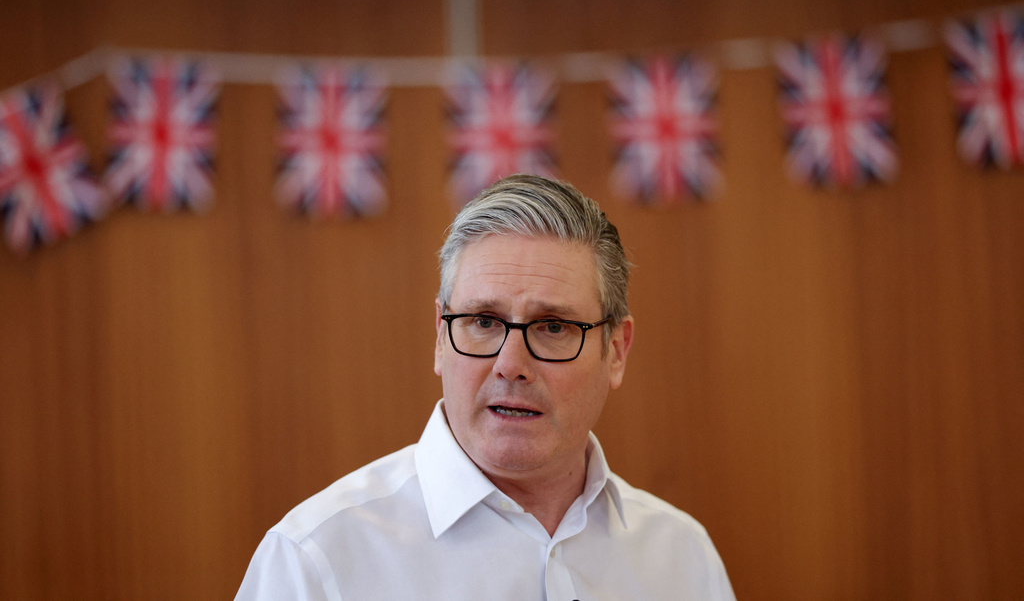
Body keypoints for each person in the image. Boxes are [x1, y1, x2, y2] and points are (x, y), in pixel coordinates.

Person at [235, 174, 735, 600]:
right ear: (440, 338)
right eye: (482, 321)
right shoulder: (315, 561)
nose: (510, 364)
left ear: (617, 351)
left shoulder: (684, 558)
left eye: (554, 327)